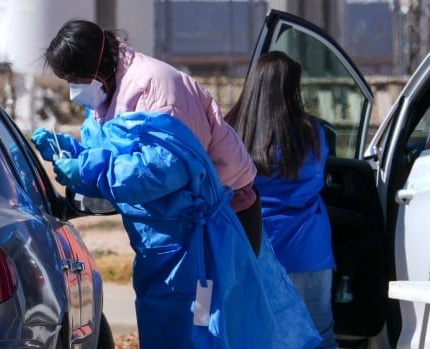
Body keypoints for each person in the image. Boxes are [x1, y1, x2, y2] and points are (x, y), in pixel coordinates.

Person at [39, 109, 321, 348]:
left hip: (197, 259)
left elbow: (139, 178)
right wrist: (82, 159)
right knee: (208, 320)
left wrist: (86, 166)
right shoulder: (179, 130)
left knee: (204, 322)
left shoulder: (172, 141)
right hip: (198, 254)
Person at [34, 19, 262, 255]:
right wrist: (72, 152)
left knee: (213, 291)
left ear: (95, 67)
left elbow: (164, 170)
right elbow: (113, 153)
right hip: (177, 216)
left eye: (74, 79)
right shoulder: (105, 92)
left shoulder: (155, 87)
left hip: (221, 208)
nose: (73, 90)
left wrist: (87, 169)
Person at [226, 51, 336, 348]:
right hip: (308, 252)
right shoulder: (313, 133)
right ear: (292, 89)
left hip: (252, 250)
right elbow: (319, 178)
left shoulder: (232, 132)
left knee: (257, 337)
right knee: (319, 335)